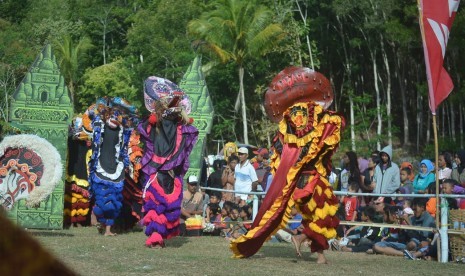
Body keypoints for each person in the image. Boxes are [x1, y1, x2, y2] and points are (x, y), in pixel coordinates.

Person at [230, 67, 344, 264]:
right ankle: (301, 239)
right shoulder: (319, 116)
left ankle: (320, 255)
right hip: (311, 177)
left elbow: (282, 154)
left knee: (315, 216)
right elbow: (326, 139)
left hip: (296, 179)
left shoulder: (287, 123)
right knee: (324, 215)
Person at [139, 76, 198, 248]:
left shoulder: (161, 126)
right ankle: (157, 238)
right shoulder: (172, 126)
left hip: (160, 173)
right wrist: (174, 103)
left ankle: (157, 238)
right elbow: (182, 119)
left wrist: (171, 103)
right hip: (165, 174)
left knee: (158, 207)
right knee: (161, 207)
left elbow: (177, 117)